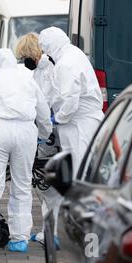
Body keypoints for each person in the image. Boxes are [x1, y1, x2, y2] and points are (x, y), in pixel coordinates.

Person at [0, 48, 52, 255]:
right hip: (25, 131)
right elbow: (43, 112)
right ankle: (19, 239)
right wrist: (44, 133)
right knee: (22, 185)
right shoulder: (28, 78)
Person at [16, 33, 62, 249]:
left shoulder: (48, 70)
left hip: (49, 134)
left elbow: (46, 103)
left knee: (49, 185)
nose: (23, 62)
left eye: (24, 56)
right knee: (46, 186)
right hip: (42, 132)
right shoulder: (35, 71)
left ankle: (51, 232)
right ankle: (49, 231)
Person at [39, 27, 104, 173]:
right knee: (85, 167)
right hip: (83, 123)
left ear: (51, 46)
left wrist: (58, 118)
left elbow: (70, 100)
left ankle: (82, 196)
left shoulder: (66, 64)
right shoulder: (73, 54)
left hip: (78, 126)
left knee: (79, 170)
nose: (46, 54)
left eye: (46, 50)